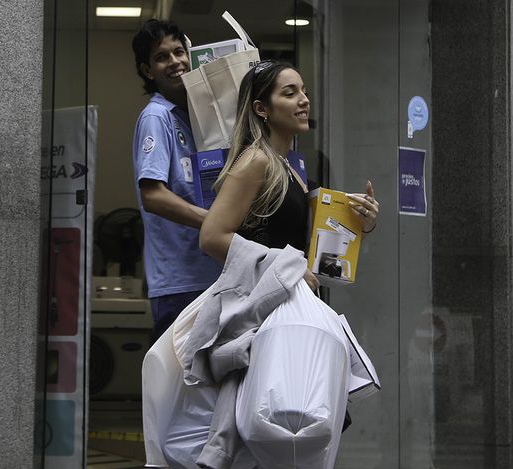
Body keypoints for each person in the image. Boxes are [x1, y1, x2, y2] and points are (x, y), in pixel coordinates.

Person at [196, 59, 379, 469]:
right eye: (289, 93)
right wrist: (287, 266)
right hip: (265, 317)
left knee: (289, 428)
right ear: (262, 109)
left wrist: (362, 223)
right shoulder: (256, 162)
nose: (304, 101)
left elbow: (314, 252)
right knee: (280, 426)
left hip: (285, 316)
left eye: (304, 91)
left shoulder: (291, 169)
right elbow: (212, 237)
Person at [131, 19, 221, 340]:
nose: (175, 62)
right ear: (147, 70)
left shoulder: (200, 118)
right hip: (180, 284)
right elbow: (152, 196)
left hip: (215, 276)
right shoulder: (157, 117)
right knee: (180, 387)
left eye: (179, 52)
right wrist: (215, 224)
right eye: (162, 57)